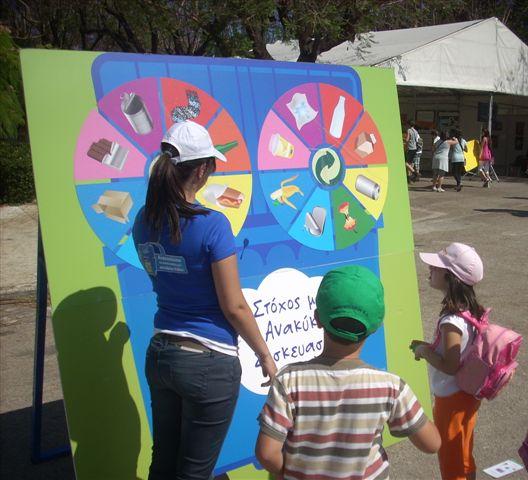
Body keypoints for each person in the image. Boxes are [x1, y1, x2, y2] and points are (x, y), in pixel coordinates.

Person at [133, 120, 277, 480]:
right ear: (202, 169)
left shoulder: (143, 220)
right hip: (207, 364)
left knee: (163, 463)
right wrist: (265, 354)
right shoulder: (213, 225)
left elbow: (160, 276)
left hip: (161, 353)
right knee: (195, 472)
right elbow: (234, 306)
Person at [255, 265, 441, 479]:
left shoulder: (287, 381)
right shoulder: (391, 387)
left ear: (317, 318)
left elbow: (267, 454)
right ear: (377, 325)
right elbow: (432, 444)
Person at [411, 243, 486, 480]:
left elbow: (451, 365)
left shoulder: (451, 321)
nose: (430, 269)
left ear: (450, 277)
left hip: (451, 399)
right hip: (467, 395)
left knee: (451, 459)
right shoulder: (469, 312)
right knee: (464, 453)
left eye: (437, 266)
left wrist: (424, 351)